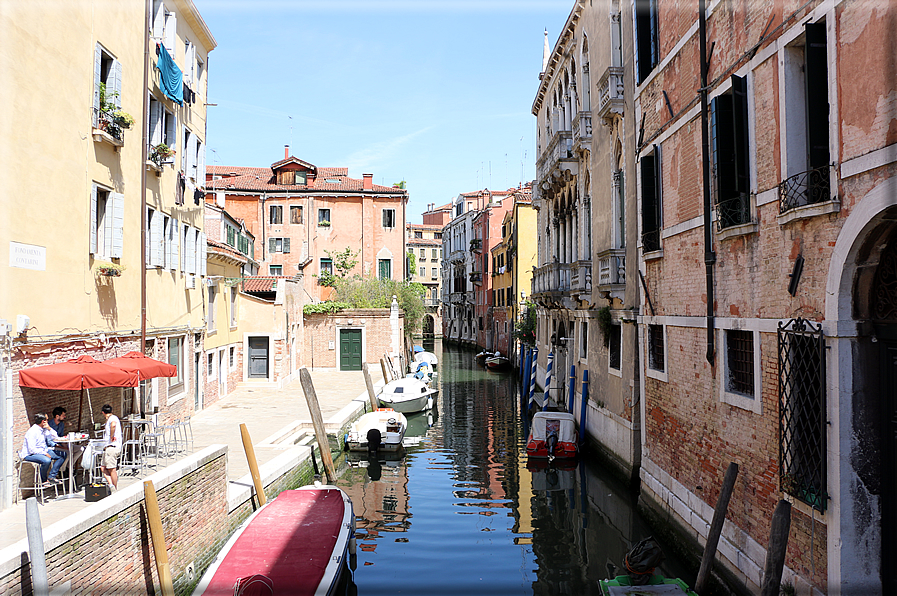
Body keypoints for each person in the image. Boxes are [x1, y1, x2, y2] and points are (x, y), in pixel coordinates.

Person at [19, 413, 66, 485]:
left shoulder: (43, 429)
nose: (48, 421)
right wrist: (45, 453)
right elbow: (32, 449)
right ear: (43, 421)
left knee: (62, 455)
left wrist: (49, 428)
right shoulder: (32, 431)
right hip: (30, 454)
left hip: (43, 450)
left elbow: (54, 437)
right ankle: (44, 480)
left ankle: (51, 477)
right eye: (46, 420)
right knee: (47, 460)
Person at [101, 404, 122, 490]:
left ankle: (115, 488)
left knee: (112, 469)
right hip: (108, 447)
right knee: (103, 467)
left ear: (103, 413)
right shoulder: (111, 418)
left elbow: (113, 425)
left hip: (112, 447)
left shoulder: (112, 418)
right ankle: (111, 485)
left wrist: (111, 436)